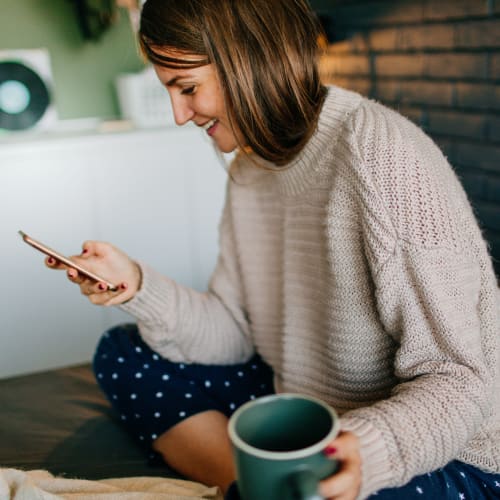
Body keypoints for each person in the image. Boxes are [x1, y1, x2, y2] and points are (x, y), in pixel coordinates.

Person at [46, 0, 500, 498]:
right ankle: (259, 487)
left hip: (444, 452)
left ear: (249, 60)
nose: (179, 115)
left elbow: (461, 380)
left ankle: (270, 488)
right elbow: (235, 332)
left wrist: (368, 451)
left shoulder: (379, 154)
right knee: (122, 351)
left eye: (188, 88)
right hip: (310, 408)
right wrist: (137, 284)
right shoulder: (249, 169)